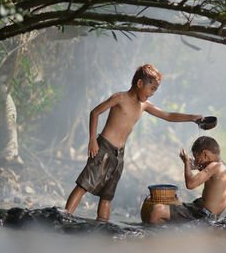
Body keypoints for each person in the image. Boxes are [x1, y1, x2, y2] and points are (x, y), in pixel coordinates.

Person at [65, 64, 203, 222]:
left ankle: (102, 227)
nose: (152, 93)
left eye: (155, 90)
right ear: (139, 84)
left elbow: (168, 115)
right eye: (151, 88)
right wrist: (92, 140)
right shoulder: (120, 98)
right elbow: (95, 112)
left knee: (107, 196)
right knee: (84, 185)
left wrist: (191, 117)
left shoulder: (144, 106)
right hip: (104, 148)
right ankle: (64, 217)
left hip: (119, 155)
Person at [149, 136, 226, 223]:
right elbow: (195, 166)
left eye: (197, 158)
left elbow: (190, 184)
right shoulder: (222, 167)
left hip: (203, 216)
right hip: (205, 211)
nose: (197, 162)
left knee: (157, 210)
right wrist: (186, 161)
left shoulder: (214, 166)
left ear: (205, 154)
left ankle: (153, 236)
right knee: (174, 205)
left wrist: (186, 162)